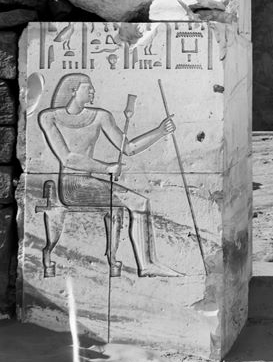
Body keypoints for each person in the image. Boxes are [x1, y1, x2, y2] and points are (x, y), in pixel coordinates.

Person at [38, 73, 178, 277]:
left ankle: (148, 263)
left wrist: (159, 132)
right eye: (89, 87)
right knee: (139, 203)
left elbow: (128, 148)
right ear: (73, 90)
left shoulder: (101, 116)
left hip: (89, 183)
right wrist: (106, 168)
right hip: (72, 187)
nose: (93, 91)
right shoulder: (49, 117)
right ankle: (147, 265)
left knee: (139, 202)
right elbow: (68, 159)